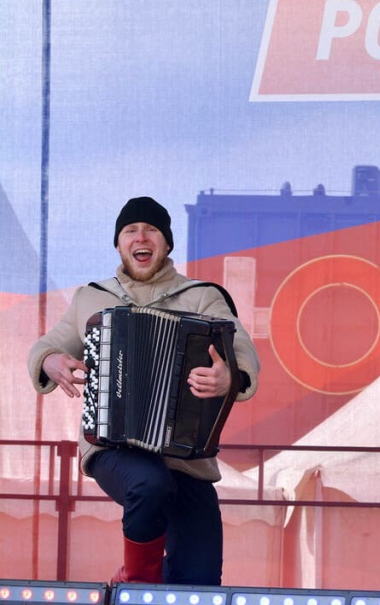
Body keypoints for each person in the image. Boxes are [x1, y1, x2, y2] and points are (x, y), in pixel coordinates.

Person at [27, 196, 260, 586]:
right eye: (131, 230)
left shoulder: (204, 296)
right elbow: (46, 347)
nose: (141, 237)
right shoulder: (91, 297)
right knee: (149, 485)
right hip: (111, 444)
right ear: (119, 244)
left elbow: (242, 352)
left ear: (166, 243)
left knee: (199, 580)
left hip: (186, 456)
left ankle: (146, 582)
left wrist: (230, 378)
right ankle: (135, 584)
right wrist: (50, 360)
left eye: (151, 230)